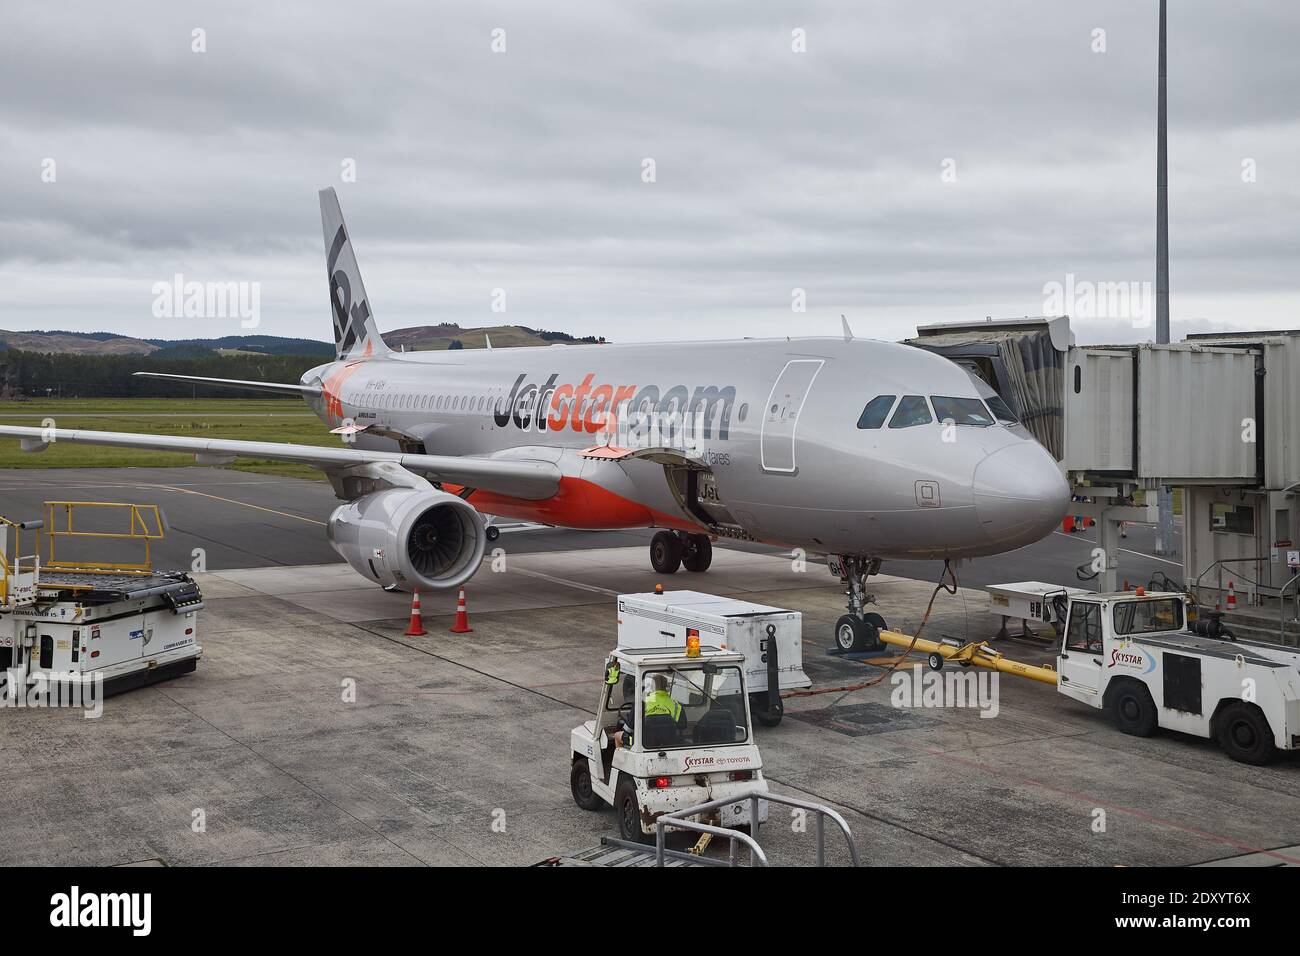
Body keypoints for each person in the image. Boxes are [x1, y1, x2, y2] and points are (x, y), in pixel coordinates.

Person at [613, 673, 685, 748]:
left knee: (617, 736)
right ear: (667, 687)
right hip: (670, 744)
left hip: (643, 744)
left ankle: (622, 759)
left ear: (652, 687)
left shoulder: (642, 702)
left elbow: (628, 729)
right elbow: (683, 726)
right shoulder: (676, 705)